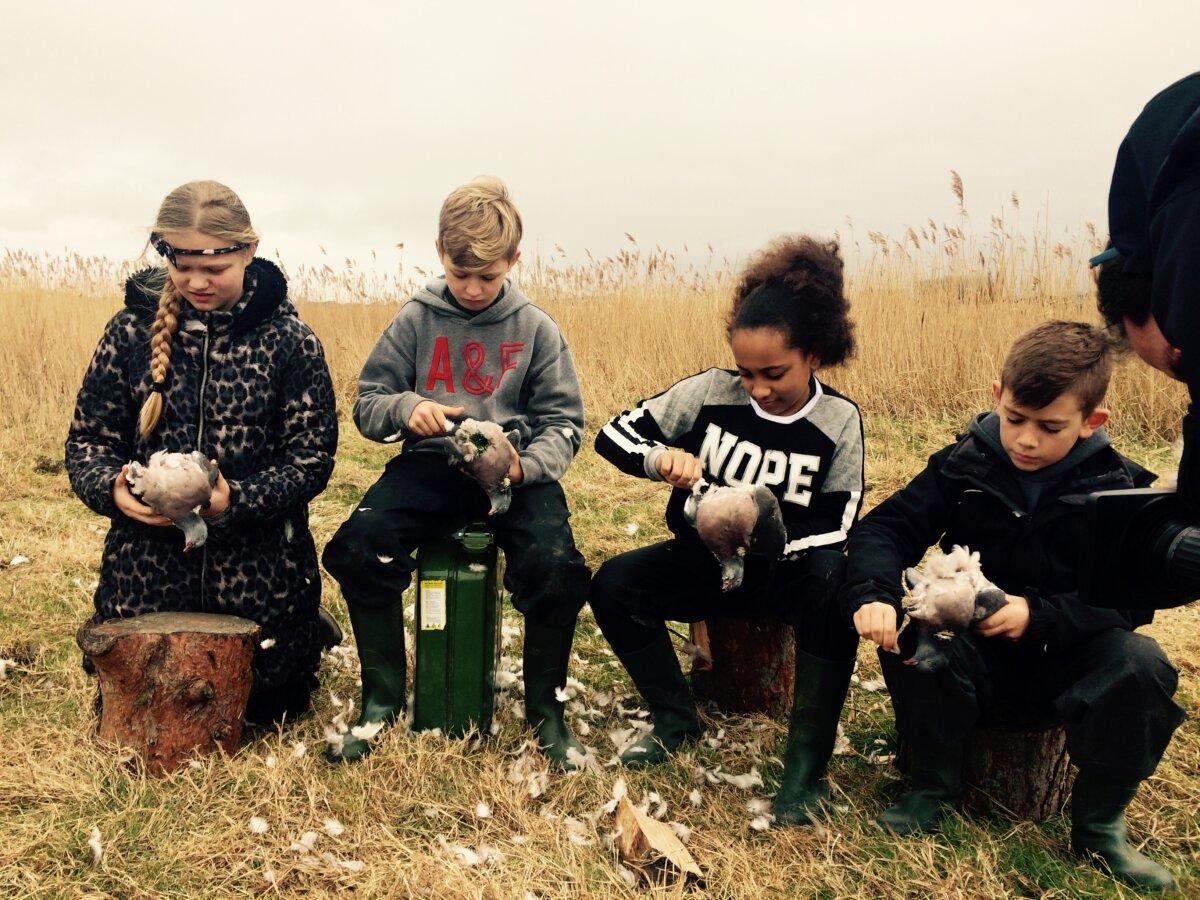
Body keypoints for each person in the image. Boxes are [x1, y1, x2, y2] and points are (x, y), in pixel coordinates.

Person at [844, 321, 1184, 891]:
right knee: (914, 639)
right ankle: (931, 784)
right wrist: (873, 595)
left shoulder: (1122, 487)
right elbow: (886, 530)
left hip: (1066, 654)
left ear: (1091, 422)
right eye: (1015, 419)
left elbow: (1129, 601)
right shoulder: (962, 465)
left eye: (1050, 428)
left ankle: (1100, 826)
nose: (1026, 440)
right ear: (996, 396)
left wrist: (1040, 615)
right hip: (969, 650)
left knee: (1142, 665)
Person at [589, 235, 863, 826]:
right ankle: (673, 718)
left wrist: (768, 531)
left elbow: (839, 522)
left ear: (815, 353)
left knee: (835, 590)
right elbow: (613, 434)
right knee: (613, 583)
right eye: (746, 372)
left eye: (774, 373)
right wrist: (660, 459)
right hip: (707, 567)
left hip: (786, 574)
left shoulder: (839, 421)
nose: (757, 387)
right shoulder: (710, 392)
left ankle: (805, 772)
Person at [322, 176, 591, 766]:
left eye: (487, 276)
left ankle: (547, 711)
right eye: (459, 272)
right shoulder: (414, 320)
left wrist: (523, 468)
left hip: (516, 474)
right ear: (439, 253)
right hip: (432, 466)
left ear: (514, 261)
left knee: (556, 568)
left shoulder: (538, 330)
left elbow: (566, 425)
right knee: (359, 546)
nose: (471, 288)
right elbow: (369, 402)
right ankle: (381, 699)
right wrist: (407, 408)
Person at [65, 180, 339, 725]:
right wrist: (114, 491)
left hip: (261, 572)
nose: (196, 281)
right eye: (182, 263)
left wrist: (236, 499)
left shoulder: (291, 343)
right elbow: (88, 440)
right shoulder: (128, 334)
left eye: (214, 267)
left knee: (267, 709)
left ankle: (303, 634)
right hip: (144, 570)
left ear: (249, 251)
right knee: (142, 703)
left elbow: (311, 459)